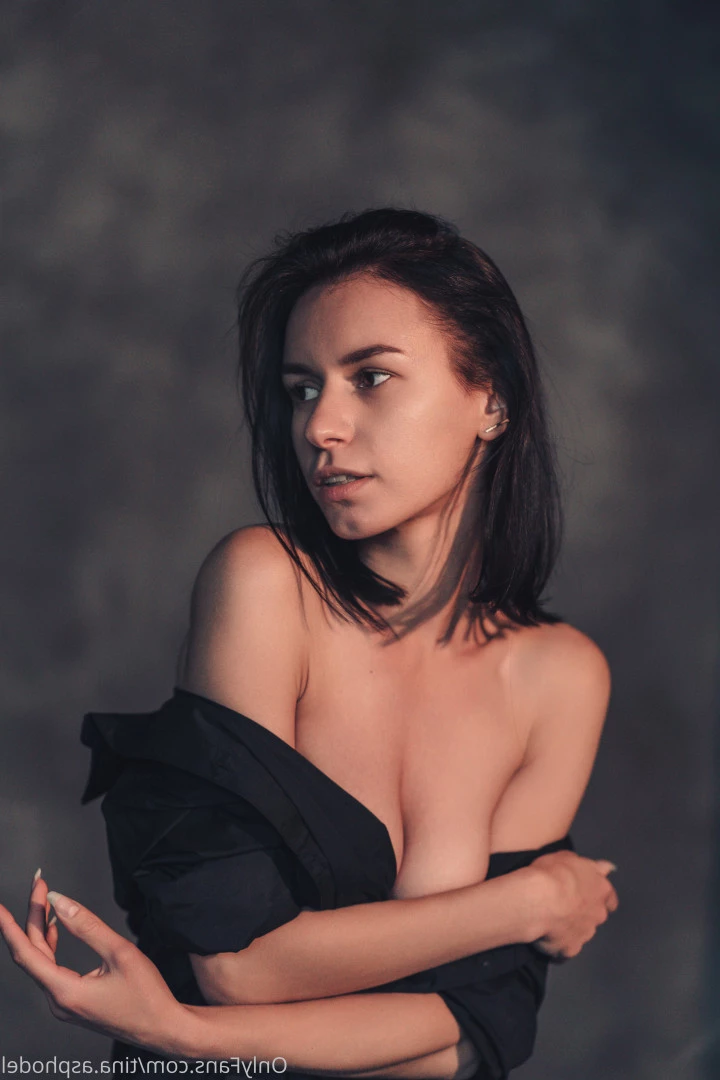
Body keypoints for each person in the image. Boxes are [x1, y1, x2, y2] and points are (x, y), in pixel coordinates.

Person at [0, 207, 618, 1079]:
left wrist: (187, 1035)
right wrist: (533, 899)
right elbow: (240, 967)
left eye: (370, 378)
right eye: (302, 389)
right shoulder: (264, 585)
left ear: (491, 399)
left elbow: (479, 1030)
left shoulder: (562, 675)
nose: (320, 427)